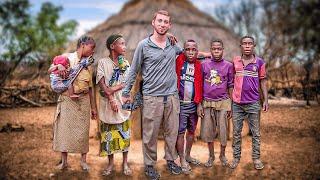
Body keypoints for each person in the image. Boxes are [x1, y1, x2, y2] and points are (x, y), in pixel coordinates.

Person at [122, 10, 183, 179]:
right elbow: (133, 70)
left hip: (171, 96)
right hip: (151, 97)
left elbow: (188, 55)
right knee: (150, 134)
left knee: (172, 132)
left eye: (166, 22)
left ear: (169, 25)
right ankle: (149, 165)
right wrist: (126, 92)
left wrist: (205, 55)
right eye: (160, 21)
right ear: (153, 23)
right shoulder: (143, 45)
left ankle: (171, 160)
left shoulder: (173, 45)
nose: (163, 24)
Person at [52, 35, 97, 171]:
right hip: (67, 100)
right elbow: (51, 71)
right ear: (83, 45)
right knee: (64, 131)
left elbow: (90, 88)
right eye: (92, 47)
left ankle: (83, 161)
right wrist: (58, 67)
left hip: (83, 101)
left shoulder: (89, 65)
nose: (93, 51)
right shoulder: (67, 58)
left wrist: (93, 108)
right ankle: (64, 162)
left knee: (83, 133)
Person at [228, 35, 268, 170]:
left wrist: (266, 100)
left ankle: (256, 158)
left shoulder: (260, 63)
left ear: (254, 46)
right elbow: (231, 81)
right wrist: (231, 98)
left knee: (256, 133)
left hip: (253, 103)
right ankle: (236, 157)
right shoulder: (235, 61)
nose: (247, 46)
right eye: (244, 43)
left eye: (249, 43)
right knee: (236, 132)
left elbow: (263, 81)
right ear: (240, 46)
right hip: (237, 103)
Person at [96, 34, 132, 176]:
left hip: (122, 103)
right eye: (121, 44)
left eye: (125, 43)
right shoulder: (103, 63)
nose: (125, 46)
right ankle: (110, 164)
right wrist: (111, 98)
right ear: (112, 47)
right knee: (109, 136)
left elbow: (127, 83)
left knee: (124, 134)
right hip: (108, 104)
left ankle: (125, 163)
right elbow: (102, 83)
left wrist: (116, 89)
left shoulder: (126, 64)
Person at [198, 39, 234, 167]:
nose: (216, 51)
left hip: (223, 102)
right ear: (211, 50)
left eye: (219, 49)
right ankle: (211, 156)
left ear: (223, 50)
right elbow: (200, 85)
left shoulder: (229, 66)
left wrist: (231, 105)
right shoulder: (204, 65)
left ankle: (223, 155)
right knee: (209, 131)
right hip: (207, 102)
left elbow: (230, 85)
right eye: (214, 49)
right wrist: (199, 104)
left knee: (223, 131)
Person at [175, 39, 203, 173]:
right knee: (180, 132)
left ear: (197, 51)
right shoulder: (179, 60)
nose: (190, 52)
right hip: (180, 105)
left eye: (193, 49)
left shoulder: (199, 65)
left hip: (193, 104)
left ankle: (187, 155)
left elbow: (200, 86)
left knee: (191, 132)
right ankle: (181, 159)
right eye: (187, 49)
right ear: (183, 50)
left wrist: (199, 104)